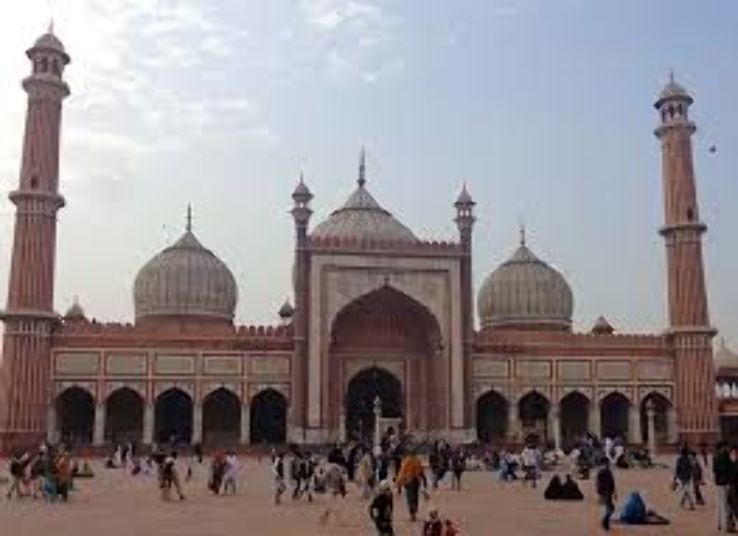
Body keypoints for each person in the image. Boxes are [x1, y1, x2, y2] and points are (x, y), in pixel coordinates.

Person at [395, 449, 427, 522]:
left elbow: (402, 473)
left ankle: (412, 513)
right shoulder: (417, 461)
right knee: (415, 497)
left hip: (409, 482)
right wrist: (424, 480)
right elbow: (421, 471)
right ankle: (414, 511)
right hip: (416, 481)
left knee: (410, 498)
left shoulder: (407, 461)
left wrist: (398, 483)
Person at [713, 440, 734, 532]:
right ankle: (727, 526)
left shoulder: (715, 456)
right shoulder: (724, 455)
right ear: (723, 447)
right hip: (725, 482)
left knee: (721, 504)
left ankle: (720, 524)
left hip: (719, 482)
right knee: (727, 504)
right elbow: (727, 468)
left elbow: (715, 470)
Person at [596, 458, 617, 531]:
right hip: (606, 492)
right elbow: (600, 483)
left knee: (610, 507)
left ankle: (605, 522)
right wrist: (601, 493)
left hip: (608, 492)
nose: (608, 464)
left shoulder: (606, 471)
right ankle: (605, 522)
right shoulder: (603, 472)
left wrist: (614, 492)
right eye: (607, 463)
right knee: (610, 508)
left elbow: (612, 482)